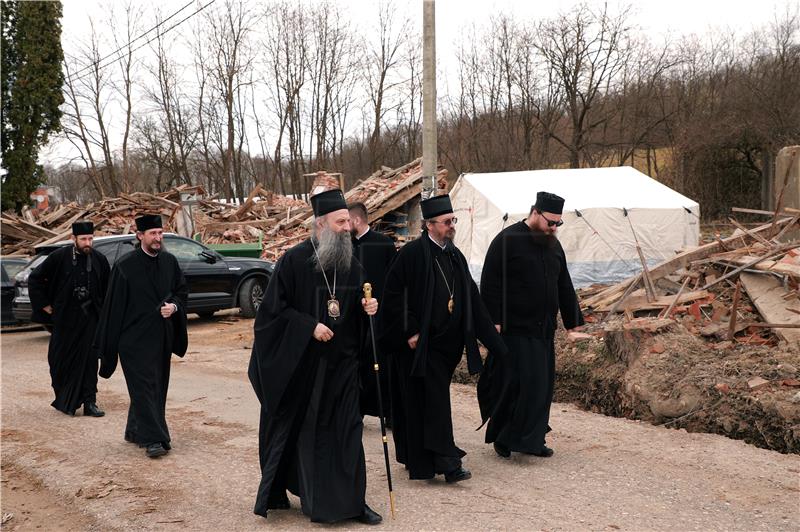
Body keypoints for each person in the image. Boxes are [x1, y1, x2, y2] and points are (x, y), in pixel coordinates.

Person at [248, 189, 383, 525]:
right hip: (307, 368)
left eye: (348, 222)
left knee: (350, 435)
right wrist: (309, 326)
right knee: (313, 438)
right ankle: (316, 500)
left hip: (345, 367)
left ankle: (355, 502)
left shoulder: (352, 264)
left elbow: (353, 312)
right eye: (340, 222)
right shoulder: (293, 261)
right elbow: (271, 315)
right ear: (321, 224)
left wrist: (369, 309)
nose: (347, 228)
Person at [380, 194, 506, 483]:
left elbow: (472, 302)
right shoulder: (411, 254)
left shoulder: (454, 256)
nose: (452, 226)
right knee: (430, 403)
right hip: (419, 346)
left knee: (426, 403)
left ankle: (420, 458)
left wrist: (497, 345)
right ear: (429, 225)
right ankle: (447, 463)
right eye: (447, 222)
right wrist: (410, 330)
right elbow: (393, 297)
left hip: (447, 347)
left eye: (453, 221)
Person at [477, 191, 585, 459]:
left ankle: (533, 440)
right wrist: (494, 323)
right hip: (514, 331)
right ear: (535, 213)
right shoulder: (507, 240)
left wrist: (573, 324)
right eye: (550, 222)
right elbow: (491, 283)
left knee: (540, 388)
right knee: (514, 386)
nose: (554, 228)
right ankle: (504, 437)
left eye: (558, 223)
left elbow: (564, 285)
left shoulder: (552, 244)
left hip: (543, 330)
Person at [94, 214, 188, 459]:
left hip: (162, 339)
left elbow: (180, 292)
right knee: (144, 387)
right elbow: (113, 308)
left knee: (157, 388)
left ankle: (135, 429)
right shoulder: (125, 266)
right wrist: (108, 346)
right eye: (152, 234)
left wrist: (174, 307)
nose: (158, 238)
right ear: (140, 236)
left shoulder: (169, 262)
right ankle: (154, 439)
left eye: (160, 233)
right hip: (133, 342)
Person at [28, 221, 111, 417]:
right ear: (73, 239)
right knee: (60, 360)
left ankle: (90, 402)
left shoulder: (99, 259)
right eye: (83, 239)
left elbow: (108, 289)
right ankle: (67, 399)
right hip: (64, 319)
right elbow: (35, 279)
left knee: (90, 361)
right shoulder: (59, 257)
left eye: (90, 238)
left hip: (90, 319)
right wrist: (45, 305)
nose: (87, 242)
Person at [348, 201, 396, 422]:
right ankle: (356, 410)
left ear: (357, 220)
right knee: (355, 365)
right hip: (352, 317)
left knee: (382, 366)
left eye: (347, 220)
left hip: (380, 316)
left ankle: (388, 412)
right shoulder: (344, 245)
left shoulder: (383, 243)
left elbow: (394, 281)